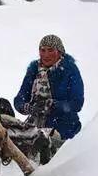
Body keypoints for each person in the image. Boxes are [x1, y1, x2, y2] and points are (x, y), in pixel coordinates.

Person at [10, 34, 84, 163]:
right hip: (35, 125)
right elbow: (19, 98)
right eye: (42, 50)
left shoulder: (70, 70)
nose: (46, 54)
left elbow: (77, 103)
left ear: (59, 52)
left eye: (50, 50)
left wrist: (53, 105)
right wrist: (27, 107)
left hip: (63, 127)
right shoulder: (34, 70)